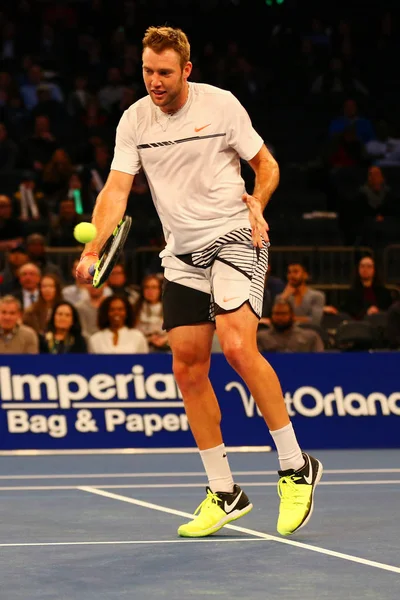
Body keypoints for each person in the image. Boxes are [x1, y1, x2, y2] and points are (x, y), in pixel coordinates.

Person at [77, 26, 323, 539]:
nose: (155, 81)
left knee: (236, 347)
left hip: (235, 236)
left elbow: (267, 165)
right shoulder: (134, 120)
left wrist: (260, 200)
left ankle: (295, 465)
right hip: (182, 255)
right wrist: (93, 245)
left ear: (186, 69)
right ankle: (224, 490)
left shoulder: (222, 106)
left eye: (164, 72)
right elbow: (116, 190)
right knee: (187, 369)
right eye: (147, 71)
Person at [257, 299, 324, 353]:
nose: (280, 317)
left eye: (283, 314)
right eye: (276, 313)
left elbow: (321, 360)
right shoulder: (261, 338)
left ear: (292, 315)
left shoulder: (310, 337)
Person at [342, 255, 393, 320]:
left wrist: (377, 311)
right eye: (362, 266)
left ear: (374, 270)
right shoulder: (351, 293)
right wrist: (366, 312)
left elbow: (388, 311)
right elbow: (349, 311)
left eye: (369, 267)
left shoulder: (384, 292)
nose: (365, 269)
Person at [134, 274, 169, 352]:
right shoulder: (135, 309)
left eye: (154, 287)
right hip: (141, 347)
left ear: (160, 289)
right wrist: (149, 339)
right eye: (147, 287)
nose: (150, 291)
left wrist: (165, 339)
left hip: (166, 347)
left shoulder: (169, 308)